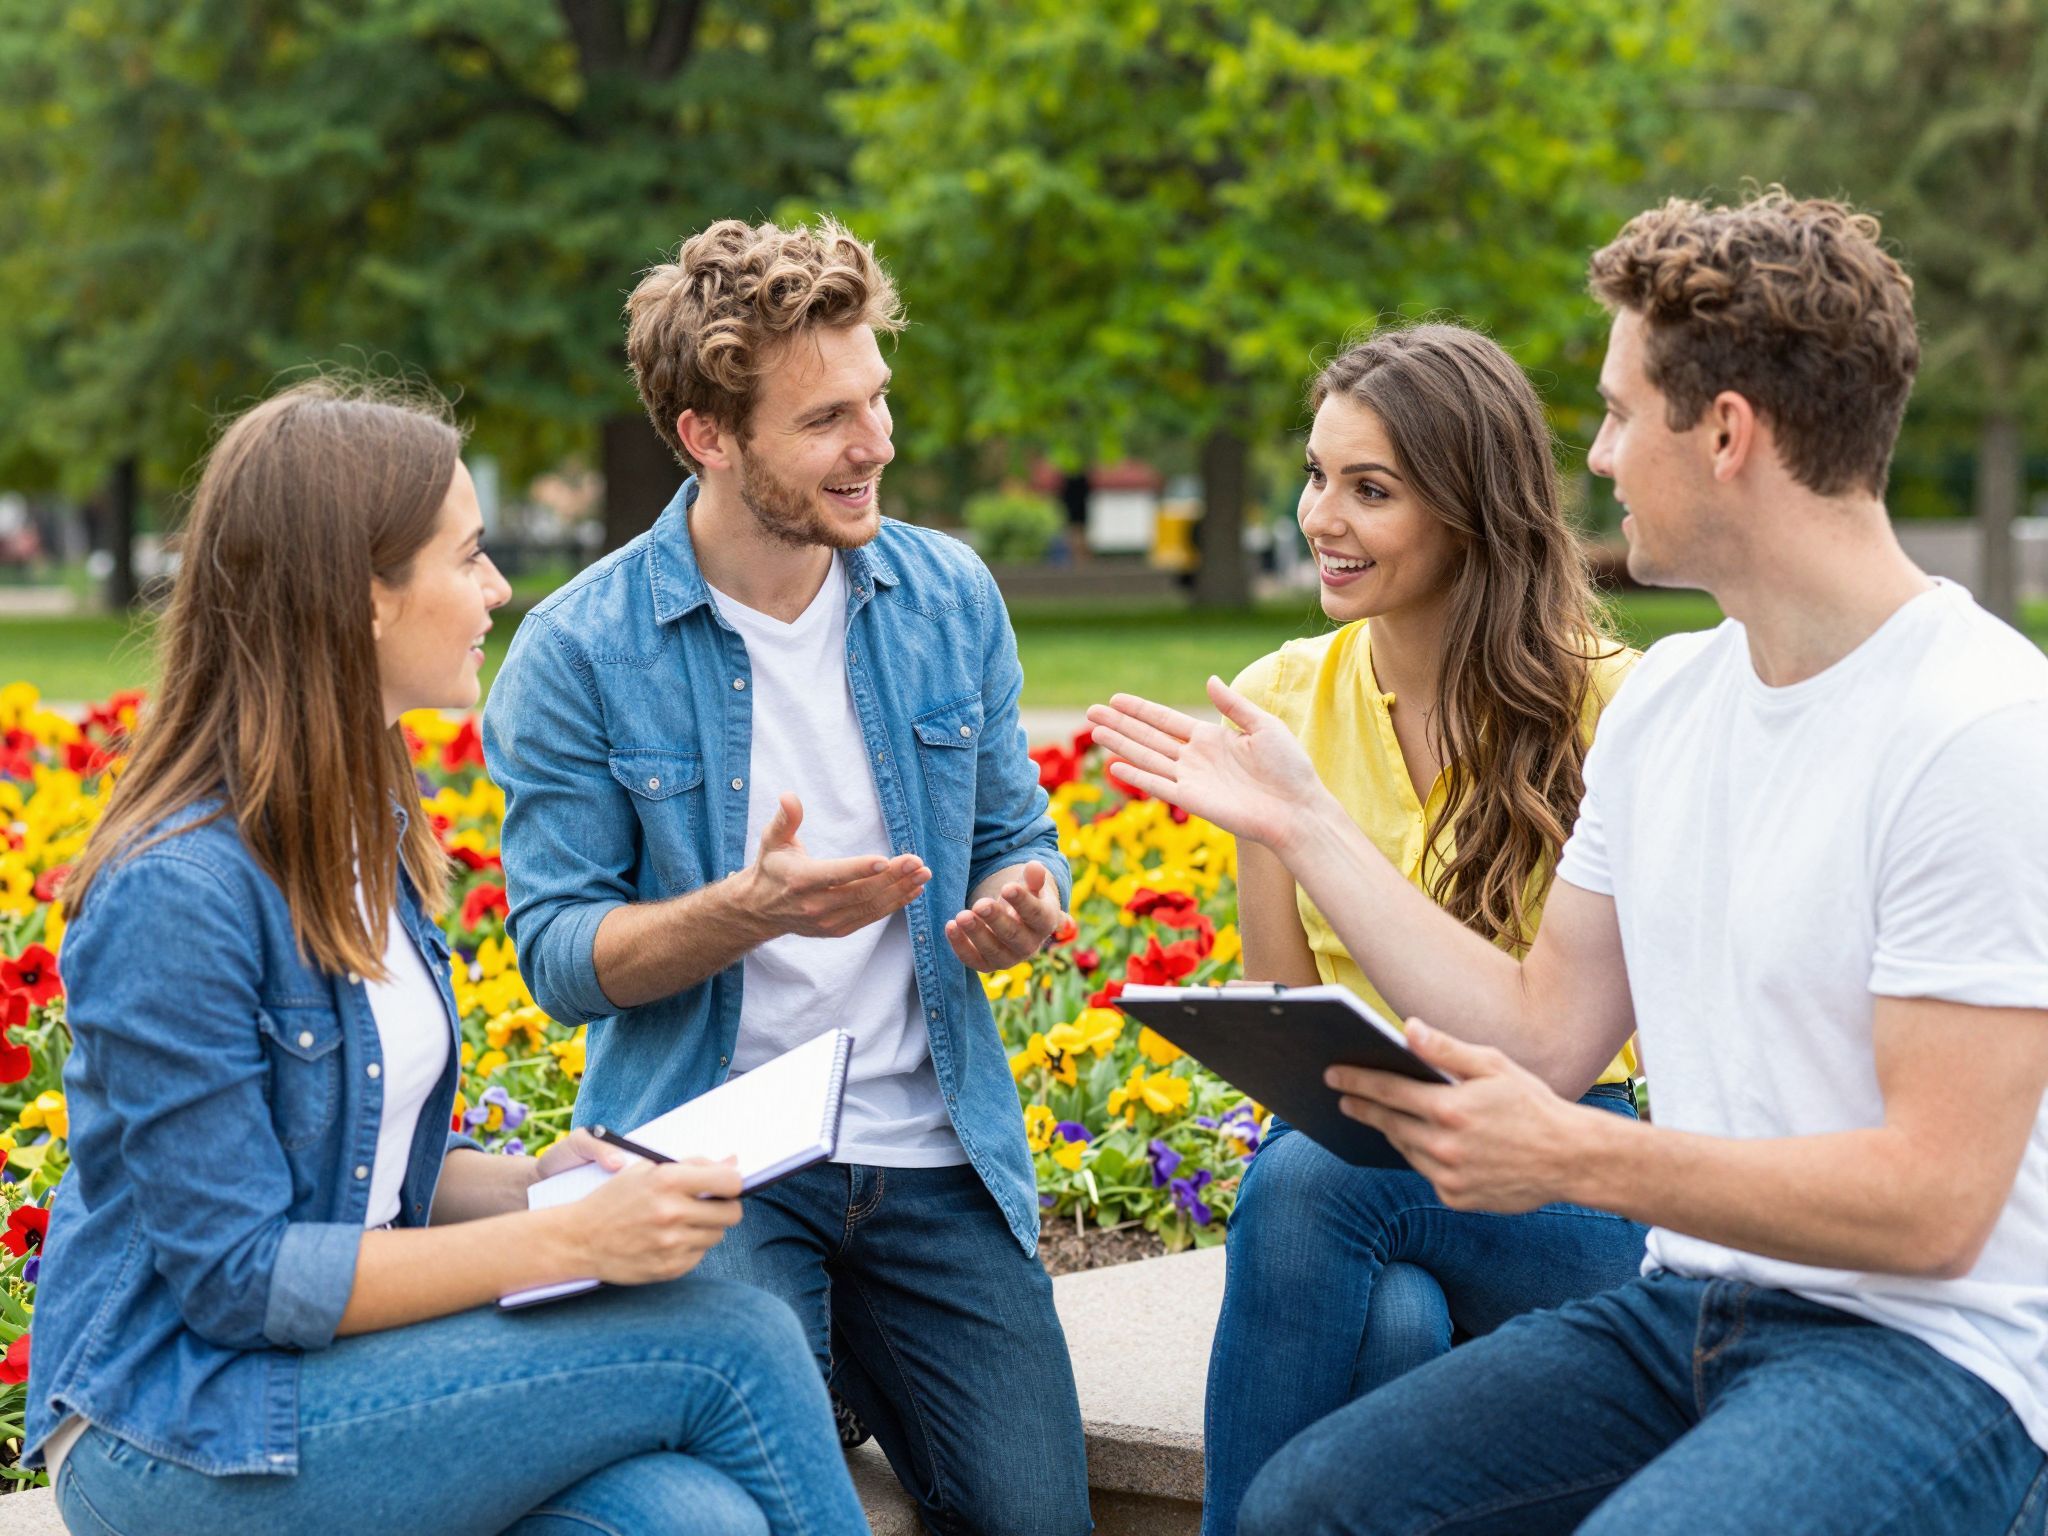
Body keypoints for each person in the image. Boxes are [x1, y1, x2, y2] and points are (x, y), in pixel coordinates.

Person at [1090, 189, 2048, 1534]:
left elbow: (1934, 1207)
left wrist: (1577, 1162)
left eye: (1612, 413)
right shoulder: (1675, 706)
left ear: (1726, 434)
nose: (1592, 457)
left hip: (1926, 1358)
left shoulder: (1979, 731)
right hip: (1687, 1311)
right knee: (1309, 1508)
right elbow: (1543, 1031)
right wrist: (1302, 824)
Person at [26, 381, 867, 1536]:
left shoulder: (362, 822)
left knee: (691, 1522)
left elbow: (367, 1167)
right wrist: (563, 1240)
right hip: (178, 1430)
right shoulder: (176, 892)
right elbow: (238, 1277)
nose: (497, 590)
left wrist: (537, 1184)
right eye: (467, 558)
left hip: (336, 1384)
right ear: (363, 597)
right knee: (735, 1337)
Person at [483, 218, 1092, 1535]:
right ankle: (827, 1374)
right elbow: (557, 958)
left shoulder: (949, 597)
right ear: (710, 435)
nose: (875, 442)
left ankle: (854, 1367)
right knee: (783, 1502)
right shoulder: (581, 651)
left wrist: (1019, 898)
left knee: (1038, 1517)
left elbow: (1011, 836)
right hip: (721, 1166)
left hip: (933, 1159)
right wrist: (740, 915)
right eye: (826, 419)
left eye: (875, 399)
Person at [1200, 323, 1648, 1536]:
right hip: (1368, 1157)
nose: (1318, 518)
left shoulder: (1605, 702)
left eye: (1370, 489)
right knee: (1388, 1314)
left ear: (1467, 511)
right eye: (1314, 475)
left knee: (1312, 1186)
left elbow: (1596, 1038)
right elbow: (1281, 999)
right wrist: (1261, 824)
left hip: (1572, 1172)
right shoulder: (1285, 693)